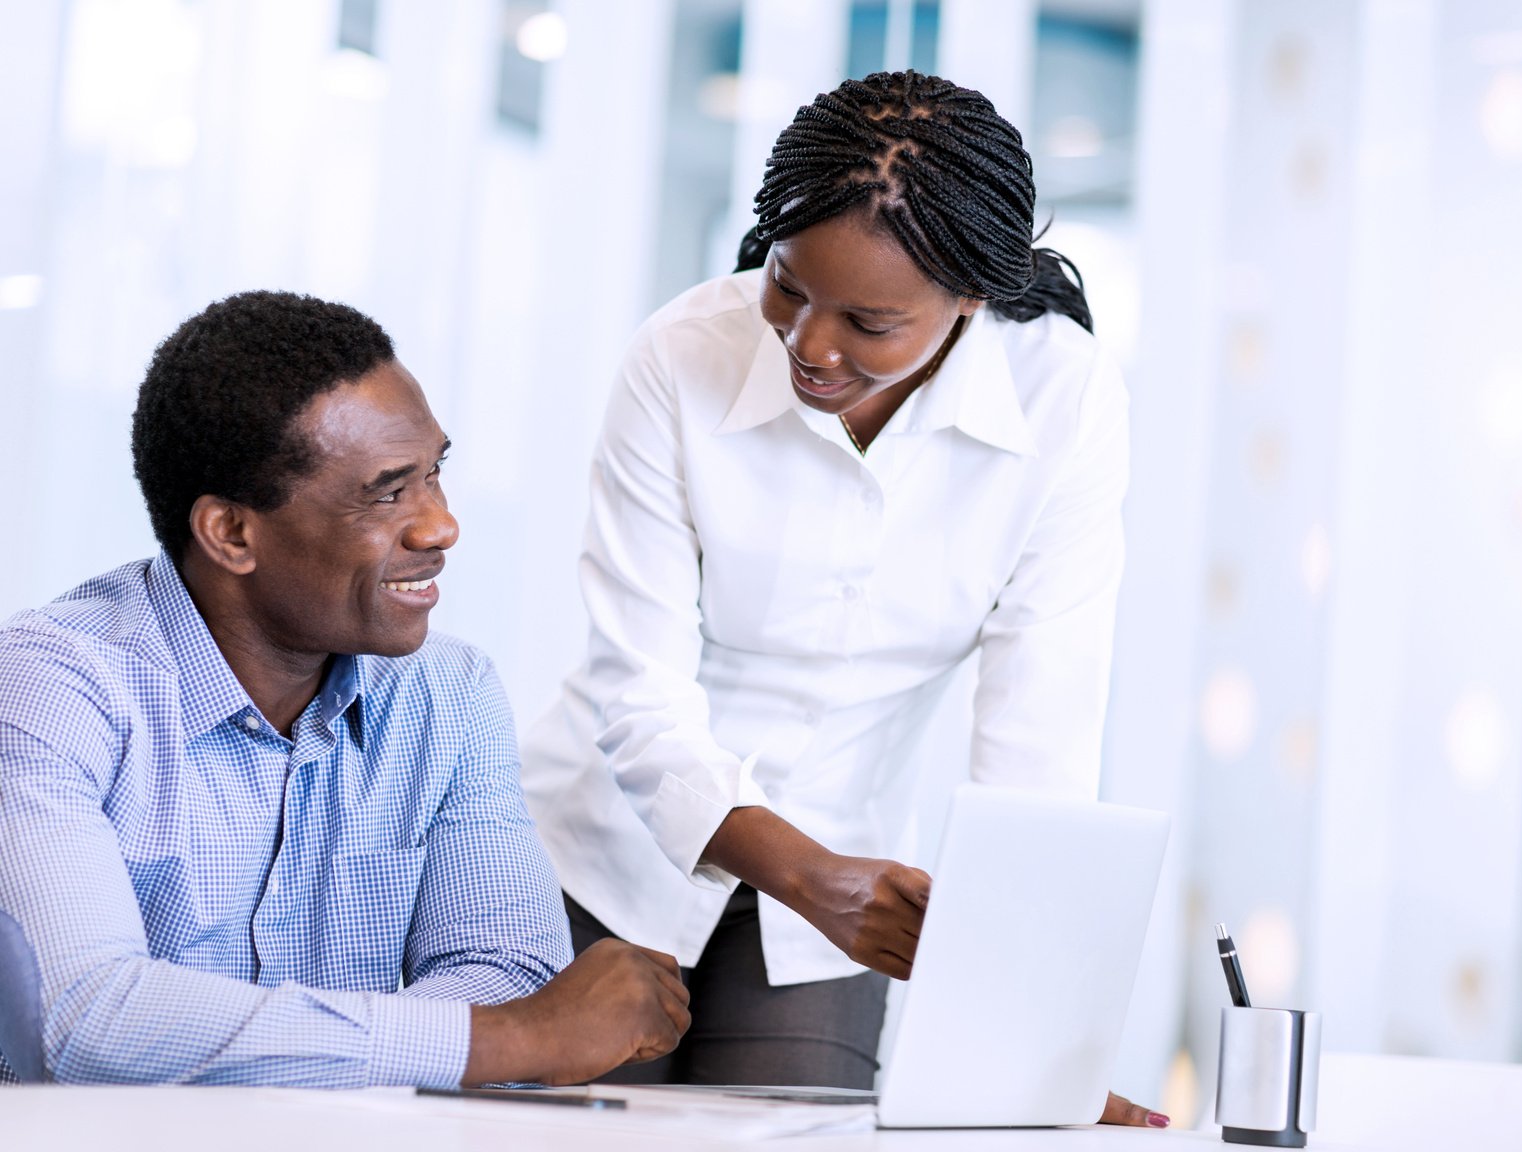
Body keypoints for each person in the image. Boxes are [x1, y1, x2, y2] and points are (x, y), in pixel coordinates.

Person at [520, 72, 1162, 1126]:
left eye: (867, 321)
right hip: (602, 853)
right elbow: (632, 690)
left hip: (838, 889)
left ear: (972, 298)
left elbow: (1038, 742)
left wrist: (1032, 1047)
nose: (810, 346)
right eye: (786, 287)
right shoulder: (679, 358)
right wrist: (811, 876)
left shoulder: (1066, 400)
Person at [0, 291, 689, 1086]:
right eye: (388, 492)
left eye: (435, 473)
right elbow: (84, 1020)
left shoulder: (449, 693)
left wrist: (495, 1032)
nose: (440, 527)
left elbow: (506, 973)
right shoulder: (48, 687)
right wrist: (494, 1043)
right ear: (231, 533)